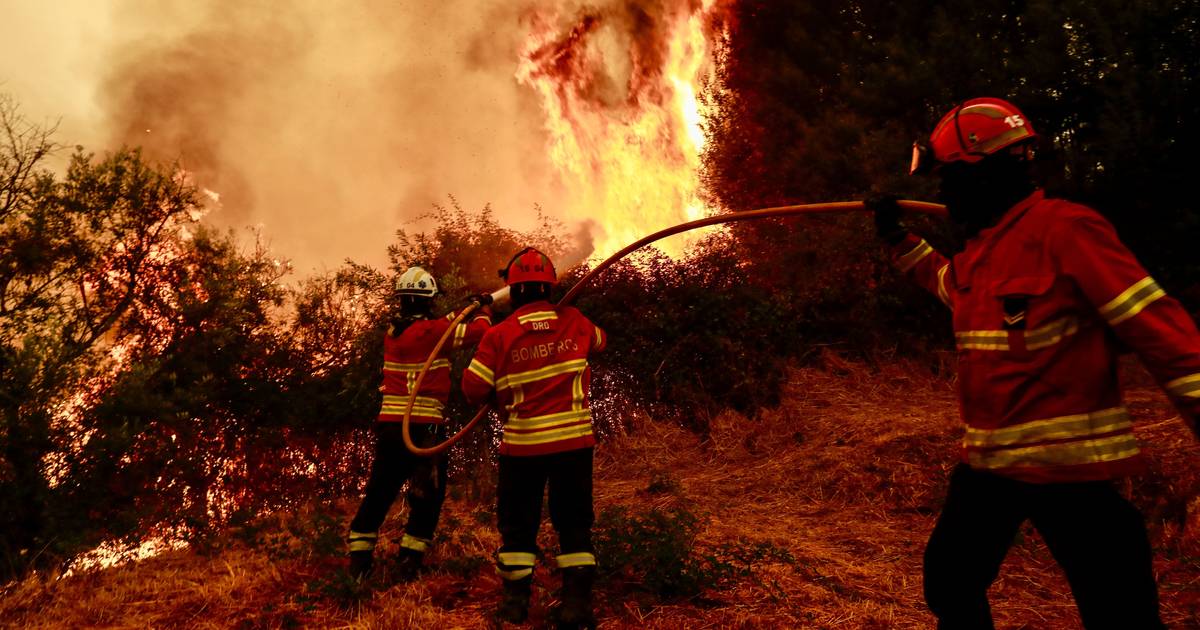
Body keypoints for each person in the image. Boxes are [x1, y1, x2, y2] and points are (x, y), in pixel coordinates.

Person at [867, 97, 1200, 629]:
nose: (942, 192)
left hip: (1069, 475)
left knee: (1119, 614)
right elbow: (951, 286)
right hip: (992, 469)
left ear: (986, 170)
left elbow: (1161, 331)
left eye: (948, 177)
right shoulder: (985, 248)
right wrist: (898, 240)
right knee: (950, 581)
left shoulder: (1066, 231)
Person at [461, 247, 607, 629]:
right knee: (574, 522)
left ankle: (514, 607)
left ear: (513, 290)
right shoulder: (574, 320)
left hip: (524, 447)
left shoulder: (498, 335)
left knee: (518, 524)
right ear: (549, 287)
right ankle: (576, 607)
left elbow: (472, 388)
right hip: (574, 446)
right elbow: (600, 341)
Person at [346, 266, 492, 580]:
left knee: (380, 492)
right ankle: (409, 561)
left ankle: (359, 561)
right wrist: (484, 311)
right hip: (425, 429)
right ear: (428, 301)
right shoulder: (435, 332)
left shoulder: (394, 331)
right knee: (428, 495)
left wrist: (465, 306)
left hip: (390, 429)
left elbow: (438, 325)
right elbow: (480, 332)